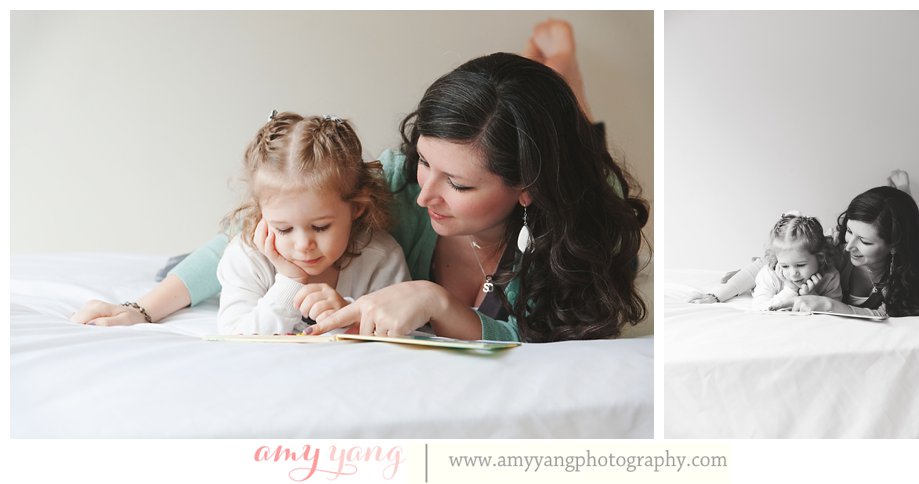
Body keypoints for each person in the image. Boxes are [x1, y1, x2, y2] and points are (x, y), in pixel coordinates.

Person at [71, 19, 650, 342]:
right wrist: (143, 310)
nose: (425, 197)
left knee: (574, 135)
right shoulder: (395, 182)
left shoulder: (588, 235)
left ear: (527, 189)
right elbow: (253, 231)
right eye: (427, 161)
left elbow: (559, 336)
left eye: (459, 185)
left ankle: (566, 83)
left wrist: (437, 302)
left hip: (571, 184)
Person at [216, 112, 409, 335]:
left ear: (356, 208)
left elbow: (399, 334)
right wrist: (290, 282)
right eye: (284, 229)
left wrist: (348, 315)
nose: (303, 244)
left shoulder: (380, 257)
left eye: (320, 227)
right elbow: (234, 337)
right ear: (261, 215)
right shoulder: (246, 257)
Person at [693, 185, 919, 318]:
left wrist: (827, 304)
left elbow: (884, 315)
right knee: (744, 276)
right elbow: (767, 261)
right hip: (776, 282)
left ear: (894, 245)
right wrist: (717, 296)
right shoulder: (836, 250)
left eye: (865, 242)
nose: (850, 246)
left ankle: (905, 190)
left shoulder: (907, 278)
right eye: (849, 231)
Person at [750, 213, 842, 310]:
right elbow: (759, 309)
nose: (793, 274)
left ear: (820, 257)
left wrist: (811, 296)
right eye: (785, 266)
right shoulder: (770, 275)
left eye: (800, 265)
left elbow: (835, 311)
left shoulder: (830, 277)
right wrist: (790, 290)